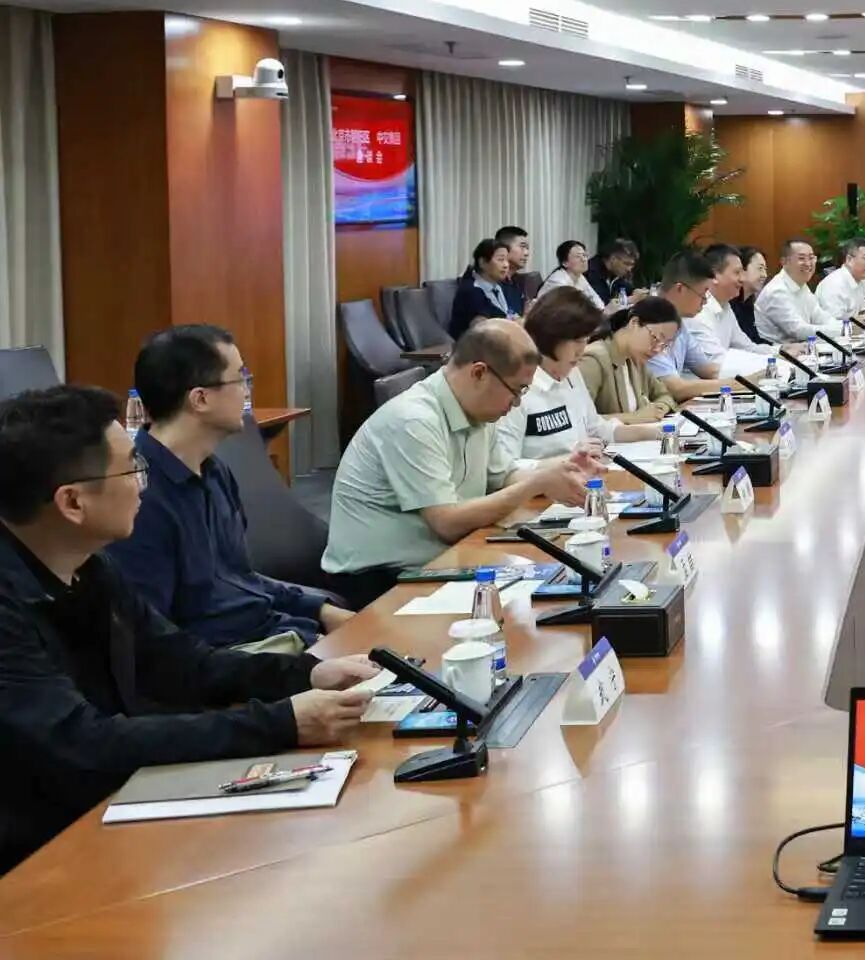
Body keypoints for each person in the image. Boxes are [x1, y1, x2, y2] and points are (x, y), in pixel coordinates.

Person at [0, 384, 379, 873]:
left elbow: (178, 659)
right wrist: (280, 723)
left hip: (106, 800)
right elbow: (81, 744)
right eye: (132, 469)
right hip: (38, 850)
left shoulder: (89, 564)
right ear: (72, 502)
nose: (144, 485)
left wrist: (304, 674)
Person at [101, 325, 348, 653]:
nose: (247, 391)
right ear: (200, 399)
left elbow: (240, 578)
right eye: (240, 379)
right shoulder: (139, 498)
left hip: (274, 636)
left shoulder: (214, 471)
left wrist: (321, 610)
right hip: (228, 660)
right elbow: (156, 642)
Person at [321, 320, 595, 605]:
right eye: (516, 390)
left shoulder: (478, 412)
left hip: (442, 560)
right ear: (479, 373)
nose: (516, 404)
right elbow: (447, 523)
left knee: (560, 587)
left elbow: (503, 475)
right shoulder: (414, 420)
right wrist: (535, 484)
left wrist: (557, 473)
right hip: (379, 582)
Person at [494, 289, 664, 467]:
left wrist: (651, 433)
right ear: (552, 335)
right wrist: (565, 461)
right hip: (545, 482)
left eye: (586, 340)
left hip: (583, 477)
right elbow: (505, 468)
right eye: (577, 341)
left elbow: (597, 428)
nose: (582, 350)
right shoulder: (518, 387)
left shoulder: (572, 374)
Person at [578, 296, 684, 422]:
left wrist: (658, 409)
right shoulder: (593, 360)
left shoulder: (635, 359)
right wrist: (635, 417)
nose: (657, 350)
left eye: (664, 345)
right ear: (634, 323)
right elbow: (580, 421)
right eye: (656, 338)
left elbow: (665, 395)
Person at [645, 251, 726, 402]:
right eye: (703, 293)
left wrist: (758, 373)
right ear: (680, 289)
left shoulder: (679, 325)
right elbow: (676, 389)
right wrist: (740, 385)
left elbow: (709, 370)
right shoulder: (647, 323)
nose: (705, 301)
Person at [699, 244, 768, 359]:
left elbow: (748, 347)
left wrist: (781, 351)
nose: (742, 279)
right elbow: (715, 360)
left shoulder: (726, 306)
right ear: (714, 276)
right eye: (737, 273)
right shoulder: (699, 310)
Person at [448, 237, 523, 337]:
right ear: (482, 262)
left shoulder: (502, 286)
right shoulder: (472, 291)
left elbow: (512, 314)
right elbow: (481, 330)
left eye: (507, 260)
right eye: (500, 259)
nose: (506, 265)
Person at [756, 237, 826, 343]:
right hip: (777, 351)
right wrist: (840, 330)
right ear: (784, 262)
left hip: (801, 349)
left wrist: (844, 327)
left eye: (811, 258)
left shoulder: (801, 285)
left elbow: (821, 317)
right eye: (801, 258)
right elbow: (798, 330)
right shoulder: (776, 291)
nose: (808, 264)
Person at [817, 237, 865, 322]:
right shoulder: (834, 284)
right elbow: (834, 324)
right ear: (849, 260)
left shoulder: (858, 280)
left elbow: (864, 311)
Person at [541, 239, 606, 307]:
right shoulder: (558, 282)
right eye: (578, 256)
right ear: (565, 263)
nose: (584, 259)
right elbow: (571, 309)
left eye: (584, 255)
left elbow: (597, 301)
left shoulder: (579, 276)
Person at [587, 237, 640, 304]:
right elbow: (601, 304)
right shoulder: (591, 273)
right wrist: (628, 300)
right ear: (613, 259)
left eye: (632, 265)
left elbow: (626, 288)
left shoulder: (615, 274)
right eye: (626, 264)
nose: (629, 269)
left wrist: (636, 292)